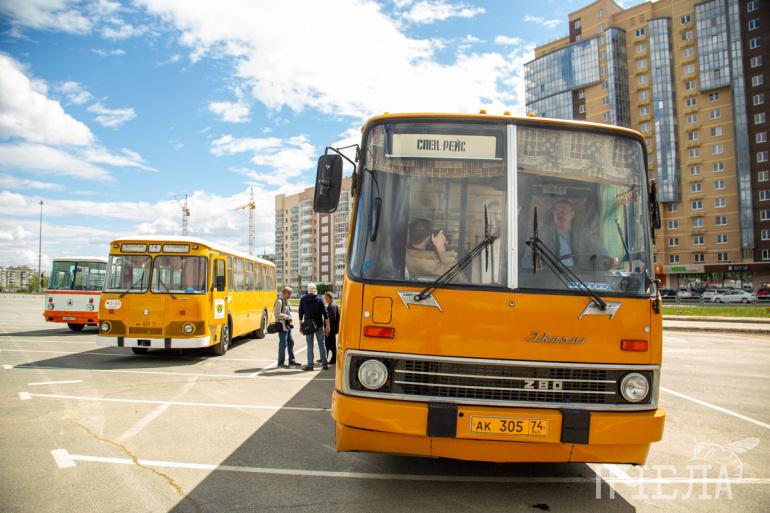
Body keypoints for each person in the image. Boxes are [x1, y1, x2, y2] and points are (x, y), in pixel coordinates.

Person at [546, 198, 616, 271]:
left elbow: (598, 250)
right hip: (551, 274)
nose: (560, 214)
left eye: (565, 210)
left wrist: (609, 261)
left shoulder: (583, 235)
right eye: (557, 211)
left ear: (572, 214)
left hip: (578, 274)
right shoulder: (544, 234)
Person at [298, 283, 330, 371]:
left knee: (309, 345)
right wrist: (328, 326)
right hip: (319, 325)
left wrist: (301, 325)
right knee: (321, 344)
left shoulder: (303, 299)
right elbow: (325, 314)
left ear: (308, 290)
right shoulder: (319, 299)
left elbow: (300, 313)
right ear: (315, 290)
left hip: (308, 326)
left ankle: (310, 365)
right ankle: (324, 364)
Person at [274, 286, 299, 368]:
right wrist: (288, 317)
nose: (290, 295)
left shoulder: (286, 301)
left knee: (291, 342)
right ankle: (280, 363)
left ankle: (291, 361)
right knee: (283, 344)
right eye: (289, 294)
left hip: (287, 326)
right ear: (285, 293)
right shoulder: (279, 301)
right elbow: (277, 314)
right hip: (282, 327)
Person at [324, 292, 340, 365]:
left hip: (331, 329)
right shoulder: (333, 304)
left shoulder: (332, 306)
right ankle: (325, 358)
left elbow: (331, 319)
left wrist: (328, 330)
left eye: (326, 298)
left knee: (330, 344)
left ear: (330, 298)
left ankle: (333, 359)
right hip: (332, 328)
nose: (325, 299)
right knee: (329, 344)